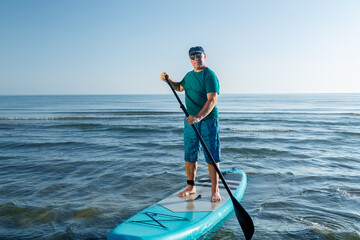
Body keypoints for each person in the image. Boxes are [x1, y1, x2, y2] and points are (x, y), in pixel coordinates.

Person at [160, 46, 221, 202]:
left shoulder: (209, 75)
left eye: (199, 56)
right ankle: (190, 186)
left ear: (204, 56)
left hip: (207, 120)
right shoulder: (189, 76)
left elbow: (212, 100)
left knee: (211, 155)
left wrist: (199, 117)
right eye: (193, 57)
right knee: (190, 154)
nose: (196, 59)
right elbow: (180, 87)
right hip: (190, 121)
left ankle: (215, 190)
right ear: (190, 59)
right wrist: (168, 80)